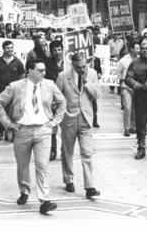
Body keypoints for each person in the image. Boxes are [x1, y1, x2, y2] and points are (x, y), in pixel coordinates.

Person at [0, 59, 66, 215]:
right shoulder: (15, 86)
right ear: (30, 71)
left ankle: (45, 200)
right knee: (23, 166)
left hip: (43, 131)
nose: (44, 73)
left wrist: (55, 121)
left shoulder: (49, 85)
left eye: (44, 70)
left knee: (43, 167)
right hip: (22, 131)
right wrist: (8, 123)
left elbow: (62, 102)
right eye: (40, 70)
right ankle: (24, 191)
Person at [55, 53, 100, 199]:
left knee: (87, 152)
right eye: (79, 67)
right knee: (67, 150)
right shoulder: (63, 76)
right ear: (73, 65)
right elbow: (56, 96)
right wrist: (62, 113)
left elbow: (97, 95)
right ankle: (68, 179)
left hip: (86, 118)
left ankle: (90, 186)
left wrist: (87, 81)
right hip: (69, 119)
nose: (82, 69)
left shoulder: (92, 74)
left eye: (84, 66)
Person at [0, 40, 26, 141]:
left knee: (12, 111)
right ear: (3, 49)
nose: (10, 50)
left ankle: (9, 131)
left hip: (13, 90)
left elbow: (22, 78)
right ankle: (1, 129)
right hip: (0, 89)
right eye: (7, 48)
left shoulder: (18, 63)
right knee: (0, 111)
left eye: (11, 47)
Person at [45, 39, 65, 160]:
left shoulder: (68, 62)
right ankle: (53, 150)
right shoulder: (47, 64)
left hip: (67, 98)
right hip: (52, 98)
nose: (57, 52)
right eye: (55, 50)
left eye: (59, 50)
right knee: (52, 124)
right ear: (51, 52)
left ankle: (65, 150)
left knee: (66, 127)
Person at [117, 41, 139, 136]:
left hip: (137, 86)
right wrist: (122, 81)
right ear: (131, 49)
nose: (139, 50)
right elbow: (118, 73)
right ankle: (126, 128)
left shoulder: (140, 59)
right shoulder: (123, 60)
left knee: (135, 108)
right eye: (137, 48)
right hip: (126, 87)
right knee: (127, 107)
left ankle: (133, 127)